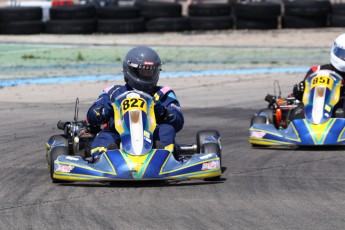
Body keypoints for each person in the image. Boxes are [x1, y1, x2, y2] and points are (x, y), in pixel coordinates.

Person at [86, 46, 184, 162]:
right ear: (130, 70)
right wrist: (105, 110)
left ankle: (165, 159)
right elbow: (92, 116)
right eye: (143, 71)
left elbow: (178, 120)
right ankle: (101, 160)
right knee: (104, 135)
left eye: (151, 71)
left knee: (167, 129)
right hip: (119, 136)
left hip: (151, 137)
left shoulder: (163, 93)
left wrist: (163, 112)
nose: (148, 74)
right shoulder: (113, 92)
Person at [291, 33, 345, 119]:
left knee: (341, 112)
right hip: (312, 111)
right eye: (343, 54)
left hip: (338, 113)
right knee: (298, 111)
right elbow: (306, 95)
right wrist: (299, 92)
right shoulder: (316, 70)